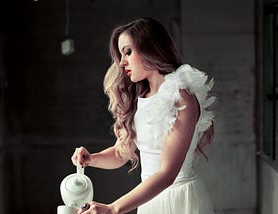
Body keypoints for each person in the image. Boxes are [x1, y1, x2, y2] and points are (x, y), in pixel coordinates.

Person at [71, 17, 216, 214]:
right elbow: (121, 153)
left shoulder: (181, 98)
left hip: (179, 201)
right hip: (149, 200)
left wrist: (113, 208)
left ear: (151, 48)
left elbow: (167, 174)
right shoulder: (140, 98)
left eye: (128, 52)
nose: (122, 63)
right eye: (121, 55)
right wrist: (90, 159)